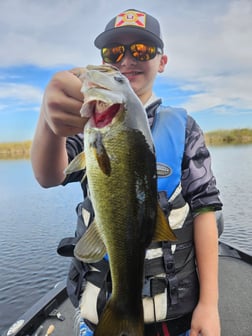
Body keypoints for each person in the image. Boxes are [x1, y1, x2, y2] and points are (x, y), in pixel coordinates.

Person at [31, 8, 223, 336]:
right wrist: (49, 125)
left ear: (162, 62)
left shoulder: (185, 129)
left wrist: (209, 304)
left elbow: (206, 209)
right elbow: (48, 176)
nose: (128, 59)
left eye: (142, 50)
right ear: (103, 60)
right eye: (114, 52)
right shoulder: (87, 123)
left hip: (173, 315)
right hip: (99, 308)